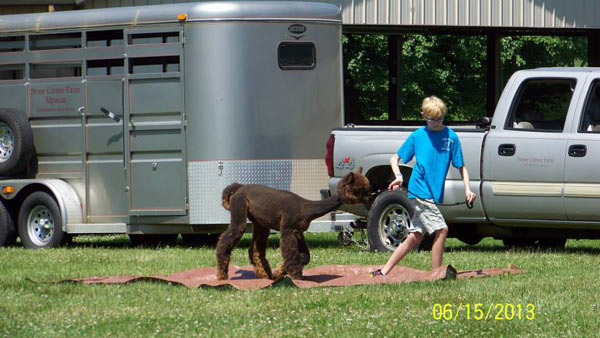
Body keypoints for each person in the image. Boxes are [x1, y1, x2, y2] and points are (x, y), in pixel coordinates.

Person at [370, 96, 476, 277]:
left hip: (432, 194)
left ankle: (384, 271)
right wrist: (398, 177)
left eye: (439, 119)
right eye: (431, 119)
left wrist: (468, 189)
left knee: (415, 236)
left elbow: (461, 166)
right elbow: (394, 159)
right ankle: (436, 274)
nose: (435, 123)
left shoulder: (451, 137)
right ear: (423, 115)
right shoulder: (418, 136)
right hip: (419, 191)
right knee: (442, 230)